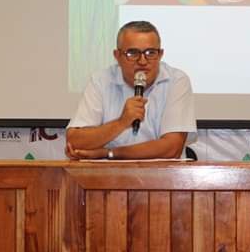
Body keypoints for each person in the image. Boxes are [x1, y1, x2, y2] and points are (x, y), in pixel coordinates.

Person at [66, 20, 196, 159]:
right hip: (109, 177)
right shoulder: (101, 80)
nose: (142, 61)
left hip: (163, 176)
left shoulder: (177, 80)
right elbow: (74, 141)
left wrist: (109, 153)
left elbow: (171, 148)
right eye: (132, 53)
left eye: (150, 53)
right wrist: (121, 122)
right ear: (117, 56)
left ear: (160, 54)